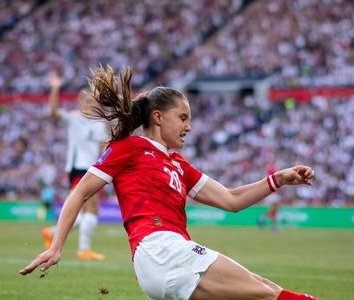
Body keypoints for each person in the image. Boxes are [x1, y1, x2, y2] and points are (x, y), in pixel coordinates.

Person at [21, 66, 318, 300]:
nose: (189, 126)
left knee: (262, 289)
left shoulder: (179, 164)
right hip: (159, 250)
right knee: (267, 293)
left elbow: (231, 200)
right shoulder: (130, 147)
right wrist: (57, 246)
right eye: (183, 118)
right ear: (159, 117)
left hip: (170, 256)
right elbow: (80, 192)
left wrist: (277, 179)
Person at [42, 70, 110, 261]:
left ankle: (52, 232)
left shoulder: (98, 123)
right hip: (79, 168)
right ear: (80, 102)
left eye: (92, 100)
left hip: (94, 168)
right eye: (86, 99)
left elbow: (104, 146)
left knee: (82, 210)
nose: (90, 102)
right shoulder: (74, 118)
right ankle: (84, 249)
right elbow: (54, 111)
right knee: (91, 207)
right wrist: (55, 88)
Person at [257, 164, 281, 232]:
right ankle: (273, 226)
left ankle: (262, 218)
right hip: (272, 193)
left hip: (272, 193)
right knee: (275, 209)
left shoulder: (269, 174)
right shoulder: (271, 174)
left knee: (274, 210)